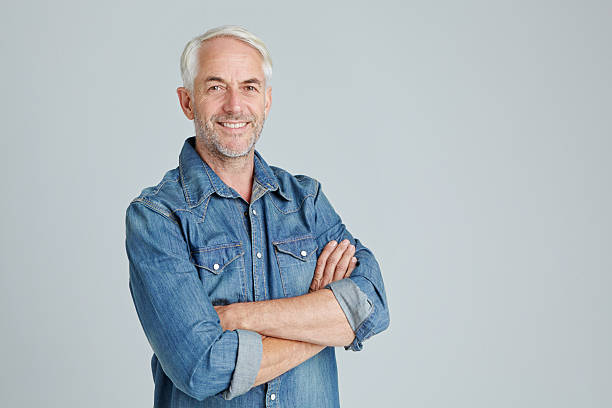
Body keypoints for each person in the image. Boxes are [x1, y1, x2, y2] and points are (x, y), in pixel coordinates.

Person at [125, 25, 390, 407]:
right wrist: (322, 322)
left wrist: (238, 317)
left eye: (249, 87)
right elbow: (203, 367)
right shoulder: (156, 218)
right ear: (187, 102)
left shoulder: (306, 201)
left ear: (266, 101)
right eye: (216, 87)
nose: (235, 105)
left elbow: (373, 305)